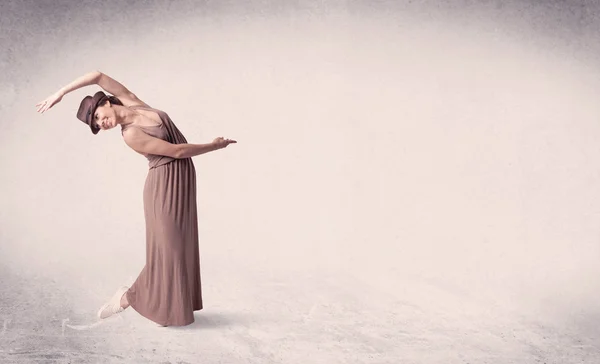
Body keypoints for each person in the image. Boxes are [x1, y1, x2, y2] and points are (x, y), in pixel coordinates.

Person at [36, 71, 236, 327]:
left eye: (97, 116)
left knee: (181, 245)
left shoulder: (133, 101)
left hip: (182, 178)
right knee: (168, 251)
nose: (101, 124)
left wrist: (60, 93)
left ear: (106, 102)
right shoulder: (130, 135)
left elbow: (97, 75)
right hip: (163, 186)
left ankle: (167, 303)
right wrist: (214, 146)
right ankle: (128, 298)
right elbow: (178, 151)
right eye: (96, 126)